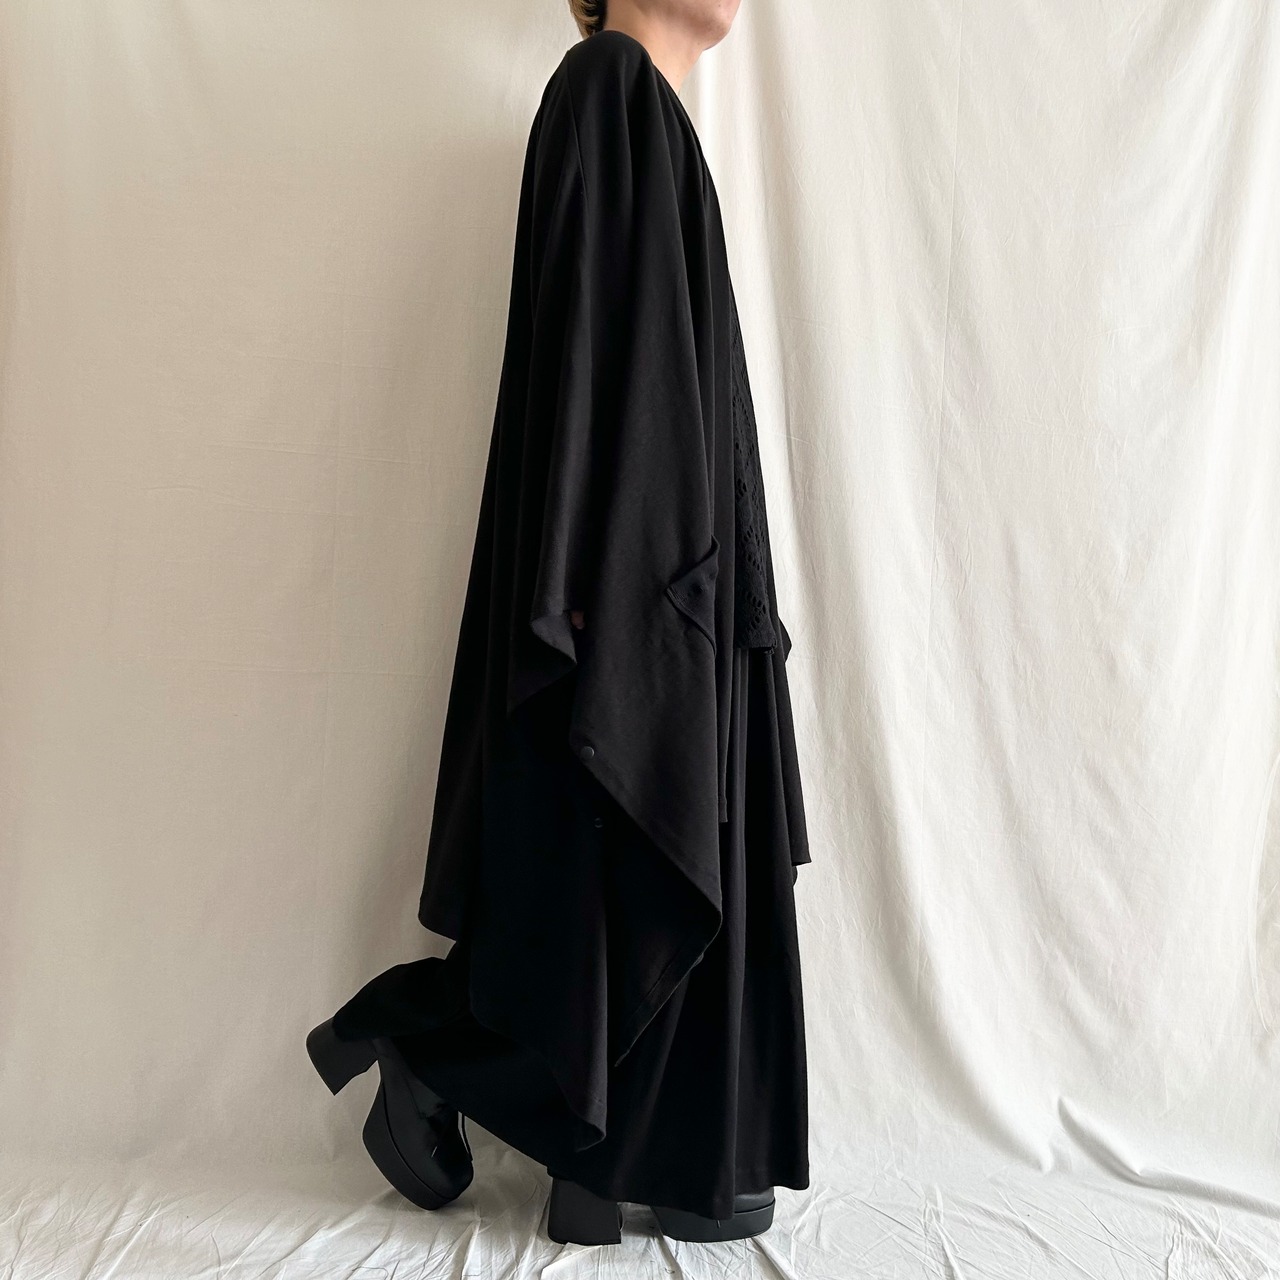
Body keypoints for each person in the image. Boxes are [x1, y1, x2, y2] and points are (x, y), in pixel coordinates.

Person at [306, 0, 812, 1246]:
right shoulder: (604, 88)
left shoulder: (654, 118)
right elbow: (589, 354)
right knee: (628, 831)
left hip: (682, 572)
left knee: (657, 841)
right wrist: (608, 589)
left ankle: (629, 1147)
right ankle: (438, 1056)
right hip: (640, 572)